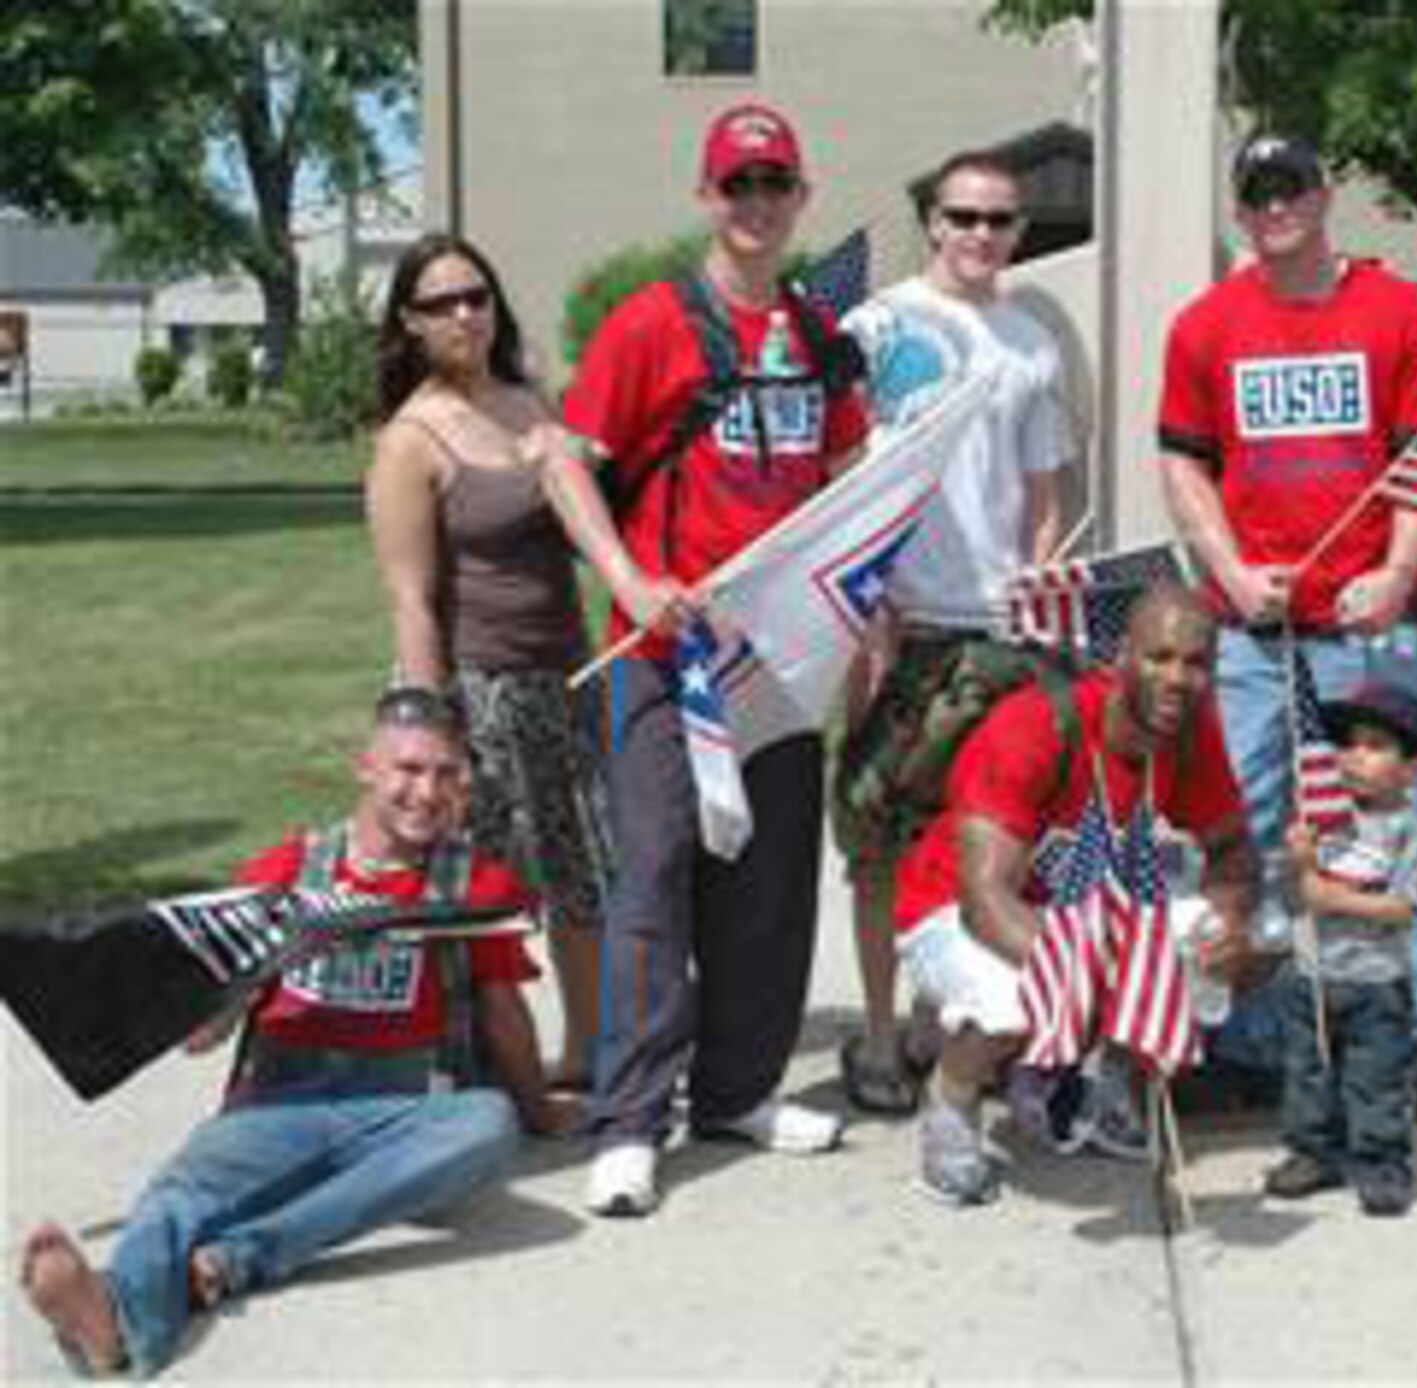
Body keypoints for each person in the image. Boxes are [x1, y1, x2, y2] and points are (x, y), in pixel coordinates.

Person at [16, 688, 573, 1377]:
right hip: (279, 1099)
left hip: (399, 1106)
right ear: (365, 768)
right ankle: (114, 1319)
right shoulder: (286, 872)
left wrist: (540, 1111)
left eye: (447, 773)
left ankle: (231, 1259)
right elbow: (199, 1039)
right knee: (181, 1194)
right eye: (408, 769)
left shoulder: (475, 885)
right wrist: (260, 969)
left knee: (488, 1124)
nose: (426, 792)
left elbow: (503, 1011)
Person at [543, 103, 868, 1217]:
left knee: (770, 881)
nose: (757, 203)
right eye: (738, 185)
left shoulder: (824, 338)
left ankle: (736, 1088)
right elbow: (563, 463)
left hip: (778, 658)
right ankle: (631, 1117)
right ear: (707, 196)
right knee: (654, 877)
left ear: (799, 198)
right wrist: (630, 582)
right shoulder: (651, 324)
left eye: (775, 183)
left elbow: (850, 477)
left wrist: (854, 601)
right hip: (661, 653)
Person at [1154, 133, 1417, 1128]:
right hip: (1254, 628)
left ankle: (1415, 1033)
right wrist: (1228, 568)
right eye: (1256, 193)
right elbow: (1182, 461)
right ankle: (1255, 1032)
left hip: (1370, 619)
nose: (1275, 206)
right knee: (1247, 823)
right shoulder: (1206, 324)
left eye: (1290, 186)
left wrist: (1397, 569)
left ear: (1323, 193)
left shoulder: (1394, 310)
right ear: (1240, 209)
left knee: (1390, 824)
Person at [831, 147, 1075, 1116]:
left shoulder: (1029, 343)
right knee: (875, 839)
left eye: (1000, 219)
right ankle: (883, 1035)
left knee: (981, 845)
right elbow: (843, 480)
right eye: (963, 216)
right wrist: (862, 618)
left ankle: (948, 1021)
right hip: (897, 625)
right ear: (930, 222)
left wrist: (1037, 601)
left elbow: (1044, 497)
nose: (981, 235)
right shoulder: (874, 327)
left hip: (999, 634)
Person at [891, 584, 1256, 1205]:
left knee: (1238, 940)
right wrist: (1092, 971)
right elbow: (984, 900)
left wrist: (1229, 921)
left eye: (1196, 663)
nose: (1178, 678)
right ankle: (950, 1101)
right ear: (1120, 657)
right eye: (1159, 656)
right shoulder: (1035, 724)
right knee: (1014, 1005)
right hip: (947, 910)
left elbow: (1232, 850)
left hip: (1071, 908)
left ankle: (1102, 1084)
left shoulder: (1190, 735)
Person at [368, 232, 605, 1088]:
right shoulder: (411, 439)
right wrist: (431, 734)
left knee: (586, 880)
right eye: (441, 303)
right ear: (411, 323)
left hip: (566, 680)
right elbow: (410, 600)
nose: (465, 313)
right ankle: (469, 1066)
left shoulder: (528, 400)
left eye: (477, 295)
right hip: (478, 693)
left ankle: (588, 1054)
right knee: (476, 893)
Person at [1266, 683, 1417, 1217]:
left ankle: (1381, 1160)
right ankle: (1313, 1152)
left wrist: (1334, 897)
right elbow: (1290, 895)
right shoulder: (1318, 815)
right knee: (1307, 1071)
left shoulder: (1408, 830)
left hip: (1375, 980)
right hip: (1310, 972)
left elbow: (1409, 908)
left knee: (1375, 1080)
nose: (1353, 757)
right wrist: (1298, 863)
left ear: (1411, 769)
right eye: (1348, 744)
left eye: (1374, 745)